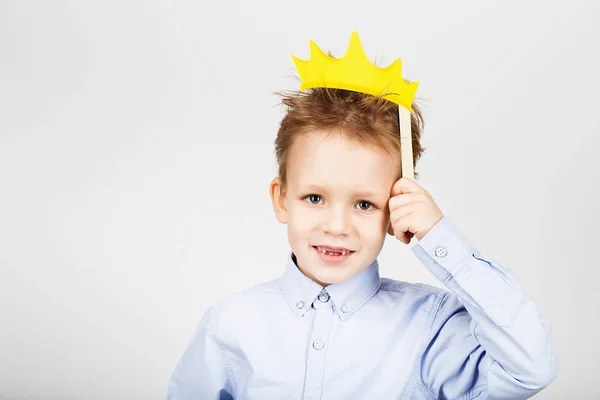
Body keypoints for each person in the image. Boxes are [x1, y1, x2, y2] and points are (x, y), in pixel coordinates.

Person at [165, 36, 556, 400]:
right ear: (282, 199)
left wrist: (440, 238)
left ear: (396, 207)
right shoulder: (230, 323)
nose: (337, 226)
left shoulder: (431, 326)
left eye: (364, 204)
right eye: (314, 197)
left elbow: (530, 369)